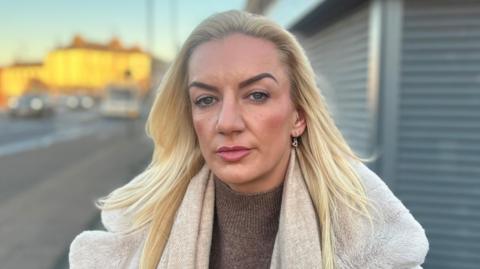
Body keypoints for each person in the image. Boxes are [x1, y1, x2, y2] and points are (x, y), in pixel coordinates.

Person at [69, 10, 428, 269]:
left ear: (298, 117)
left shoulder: (369, 239)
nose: (226, 123)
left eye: (256, 95)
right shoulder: (142, 232)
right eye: (206, 100)